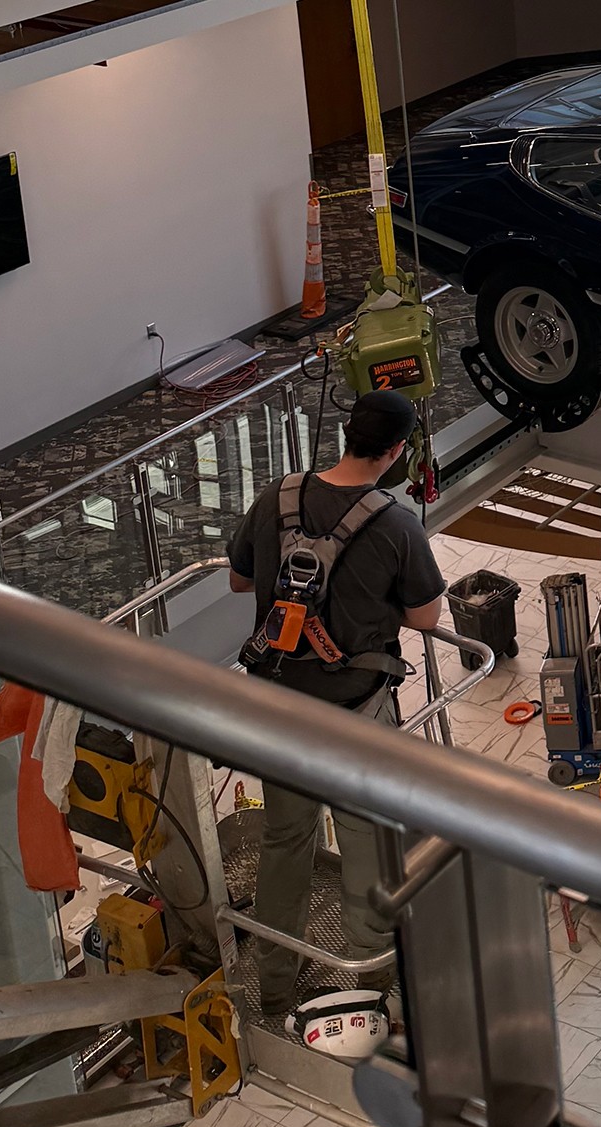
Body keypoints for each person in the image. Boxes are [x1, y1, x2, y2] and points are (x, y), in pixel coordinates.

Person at [226, 389, 446, 1023]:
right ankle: (372, 989)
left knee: (285, 841)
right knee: (366, 848)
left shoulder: (278, 497)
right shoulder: (396, 523)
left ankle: (272, 985)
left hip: (280, 714)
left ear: (349, 434)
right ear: (398, 451)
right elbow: (427, 616)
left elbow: (241, 578)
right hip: (356, 715)